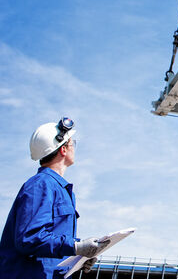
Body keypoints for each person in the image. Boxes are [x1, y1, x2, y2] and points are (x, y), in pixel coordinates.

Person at [0, 117, 109, 278]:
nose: (74, 148)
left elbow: (50, 247)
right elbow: (30, 238)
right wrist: (76, 247)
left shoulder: (60, 189)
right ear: (63, 149)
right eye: (73, 144)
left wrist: (77, 259)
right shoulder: (40, 185)